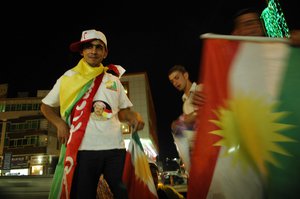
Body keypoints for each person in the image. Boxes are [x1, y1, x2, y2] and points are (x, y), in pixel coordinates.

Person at [41, 29, 144, 199]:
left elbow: (123, 112)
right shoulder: (68, 77)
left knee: (123, 194)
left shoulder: (113, 80)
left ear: (105, 53)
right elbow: (45, 106)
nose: (93, 51)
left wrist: (133, 117)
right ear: (82, 51)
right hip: (84, 149)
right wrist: (59, 124)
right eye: (88, 47)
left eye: (98, 47)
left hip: (115, 148)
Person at [168, 65, 204, 173]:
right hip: (196, 151)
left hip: (208, 144)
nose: (175, 83)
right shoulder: (184, 103)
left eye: (177, 78)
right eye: (172, 81)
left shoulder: (200, 88)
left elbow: (209, 111)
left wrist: (186, 119)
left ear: (186, 75)